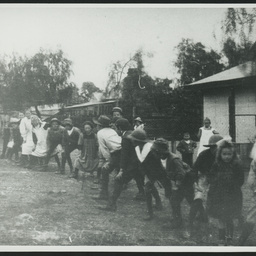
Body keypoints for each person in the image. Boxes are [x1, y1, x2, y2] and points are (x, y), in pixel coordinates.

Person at [98, 118, 145, 212]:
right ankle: (148, 197)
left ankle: (111, 205)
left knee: (118, 181)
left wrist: (122, 170)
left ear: (119, 127)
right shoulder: (132, 133)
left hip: (132, 164)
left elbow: (124, 156)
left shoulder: (125, 138)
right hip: (140, 162)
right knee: (140, 179)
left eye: (116, 127)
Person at [151, 138, 195, 228]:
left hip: (186, 182)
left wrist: (177, 185)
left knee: (179, 200)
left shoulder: (174, 159)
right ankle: (200, 216)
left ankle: (178, 222)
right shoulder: (162, 159)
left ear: (161, 151)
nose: (154, 154)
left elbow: (181, 173)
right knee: (188, 200)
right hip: (181, 182)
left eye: (156, 151)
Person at [207, 139, 244, 246]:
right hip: (218, 195)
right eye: (224, 154)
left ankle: (229, 238)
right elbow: (211, 177)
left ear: (233, 154)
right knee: (220, 217)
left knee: (229, 217)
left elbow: (240, 180)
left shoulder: (237, 165)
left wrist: (233, 186)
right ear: (220, 154)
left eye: (229, 154)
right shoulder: (216, 164)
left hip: (232, 195)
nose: (227, 156)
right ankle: (221, 239)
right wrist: (215, 184)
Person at [128, 131, 172, 220]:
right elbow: (141, 163)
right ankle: (150, 213)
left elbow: (160, 162)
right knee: (148, 190)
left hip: (160, 172)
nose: (132, 141)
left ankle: (176, 213)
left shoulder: (151, 148)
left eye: (134, 140)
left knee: (169, 192)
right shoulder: (137, 148)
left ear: (139, 141)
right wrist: (145, 174)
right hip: (149, 173)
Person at [190, 134, 223, 237]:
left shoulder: (224, 156)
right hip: (204, 177)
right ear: (211, 147)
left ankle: (237, 217)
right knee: (198, 197)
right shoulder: (203, 155)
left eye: (218, 148)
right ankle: (190, 223)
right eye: (214, 147)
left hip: (217, 179)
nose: (216, 150)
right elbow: (194, 169)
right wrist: (195, 182)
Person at [92, 115, 122, 200]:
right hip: (122, 151)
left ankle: (103, 194)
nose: (96, 126)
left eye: (97, 125)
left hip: (116, 153)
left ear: (100, 126)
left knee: (105, 170)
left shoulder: (100, 133)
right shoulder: (112, 131)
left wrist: (108, 161)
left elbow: (103, 149)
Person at [238, 139, 256, 245]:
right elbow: (251, 177)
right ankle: (241, 241)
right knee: (251, 217)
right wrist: (254, 188)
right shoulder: (255, 162)